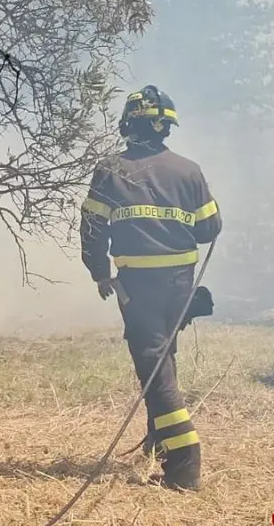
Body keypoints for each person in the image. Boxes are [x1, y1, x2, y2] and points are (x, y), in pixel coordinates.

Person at [79, 85, 222, 491]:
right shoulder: (189, 170)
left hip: (136, 286)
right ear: (167, 128)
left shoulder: (110, 169)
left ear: (128, 124)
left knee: (154, 370)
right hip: (180, 285)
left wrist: (99, 271)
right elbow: (210, 228)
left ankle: (184, 463)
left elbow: (92, 227)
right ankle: (158, 442)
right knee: (164, 359)